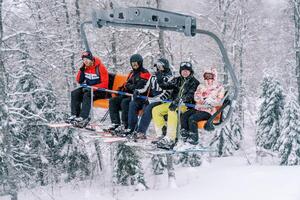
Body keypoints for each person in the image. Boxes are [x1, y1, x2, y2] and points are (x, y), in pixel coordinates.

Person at [151, 61, 200, 150]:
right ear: (180, 71)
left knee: (172, 110)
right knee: (156, 110)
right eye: (183, 70)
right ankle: (162, 134)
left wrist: (179, 101)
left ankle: (170, 138)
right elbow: (165, 86)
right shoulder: (177, 80)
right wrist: (159, 79)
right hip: (174, 103)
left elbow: (190, 95)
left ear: (190, 72)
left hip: (186, 105)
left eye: (187, 71)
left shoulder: (194, 82)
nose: (185, 72)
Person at [123, 58, 174, 138]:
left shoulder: (169, 78)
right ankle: (131, 128)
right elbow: (145, 88)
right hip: (152, 99)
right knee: (133, 104)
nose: (158, 68)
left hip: (163, 100)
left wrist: (152, 100)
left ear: (165, 67)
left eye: (161, 67)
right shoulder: (153, 76)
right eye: (157, 67)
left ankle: (141, 132)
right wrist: (138, 91)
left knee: (148, 108)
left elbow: (167, 93)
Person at [106, 54, 151, 133]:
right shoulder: (131, 73)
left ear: (140, 63)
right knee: (113, 100)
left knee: (125, 102)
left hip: (139, 98)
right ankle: (115, 123)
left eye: (136, 63)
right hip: (128, 95)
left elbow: (138, 87)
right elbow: (126, 84)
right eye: (132, 63)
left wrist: (129, 86)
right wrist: (125, 87)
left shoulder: (145, 73)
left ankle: (126, 125)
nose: (134, 65)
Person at [179, 68, 225, 146]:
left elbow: (219, 100)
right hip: (199, 107)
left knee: (192, 118)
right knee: (184, 116)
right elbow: (196, 96)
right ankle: (185, 136)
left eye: (209, 76)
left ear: (214, 76)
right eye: (206, 76)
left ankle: (194, 139)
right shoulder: (201, 85)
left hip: (209, 111)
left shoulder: (219, 87)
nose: (207, 78)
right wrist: (201, 100)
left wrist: (210, 101)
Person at [66, 51, 109, 128]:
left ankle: (84, 118)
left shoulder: (100, 67)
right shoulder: (85, 67)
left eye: (87, 60)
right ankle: (75, 115)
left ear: (91, 59)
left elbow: (105, 84)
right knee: (75, 93)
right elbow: (79, 80)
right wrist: (81, 70)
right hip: (89, 89)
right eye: (83, 60)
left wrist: (92, 88)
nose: (85, 61)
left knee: (87, 95)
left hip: (100, 91)